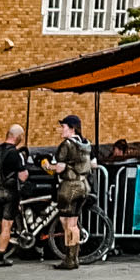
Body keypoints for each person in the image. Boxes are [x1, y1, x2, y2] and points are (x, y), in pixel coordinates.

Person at [52, 112, 93, 270]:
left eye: (63, 127)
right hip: (83, 186)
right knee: (74, 223)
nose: (62, 130)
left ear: (72, 129)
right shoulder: (86, 144)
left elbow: (59, 168)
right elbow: (93, 164)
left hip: (69, 187)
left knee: (66, 222)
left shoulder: (66, 145)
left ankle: (69, 259)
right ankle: (75, 258)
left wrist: (48, 166)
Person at [0, 122, 27, 264]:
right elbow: (22, 176)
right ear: (18, 137)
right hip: (9, 193)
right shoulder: (15, 154)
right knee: (6, 225)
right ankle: (1, 256)